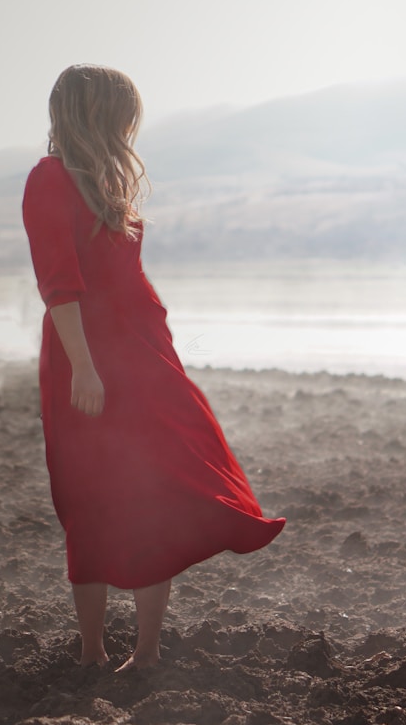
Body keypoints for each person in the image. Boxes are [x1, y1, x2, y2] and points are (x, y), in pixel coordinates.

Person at [21, 64, 285, 672]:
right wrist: (84, 368)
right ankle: (91, 652)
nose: (128, 130)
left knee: (155, 487)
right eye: (122, 116)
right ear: (96, 114)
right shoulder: (49, 179)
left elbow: (126, 276)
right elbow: (59, 285)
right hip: (87, 356)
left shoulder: (106, 184)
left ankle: (145, 653)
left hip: (143, 354)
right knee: (88, 494)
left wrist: (159, 341)